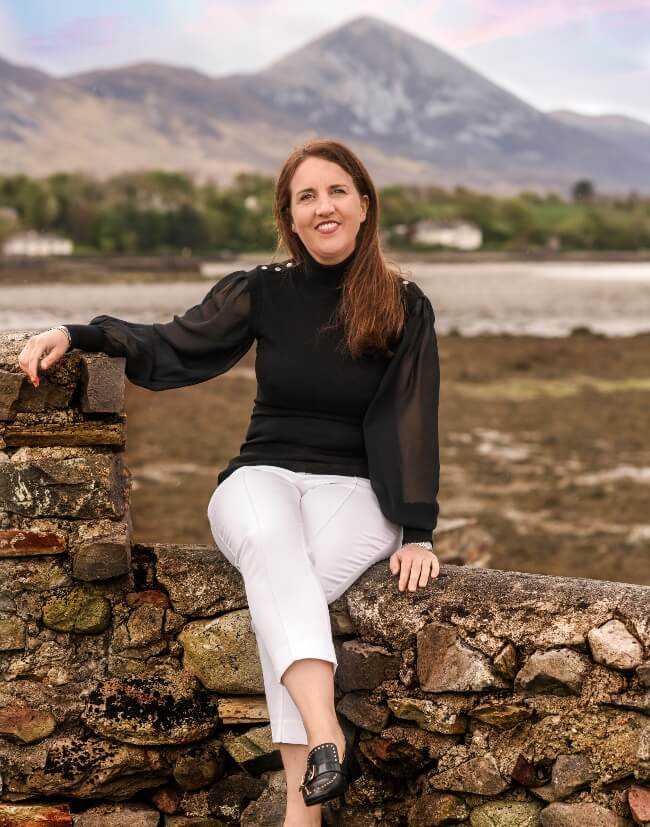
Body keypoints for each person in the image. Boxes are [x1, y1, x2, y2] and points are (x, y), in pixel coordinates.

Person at [17, 138, 441, 825]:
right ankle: (326, 735)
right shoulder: (262, 289)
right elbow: (173, 342)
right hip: (261, 476)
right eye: (306, 196)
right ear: (290, 217)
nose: (323, 206)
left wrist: (417, 528)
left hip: (358, 494)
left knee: (284, 592)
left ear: (365, 206)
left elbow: (412, 414)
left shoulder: (402, 304)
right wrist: (81, 332)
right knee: (275, 549)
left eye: (337, 191)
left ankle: (299, 816)